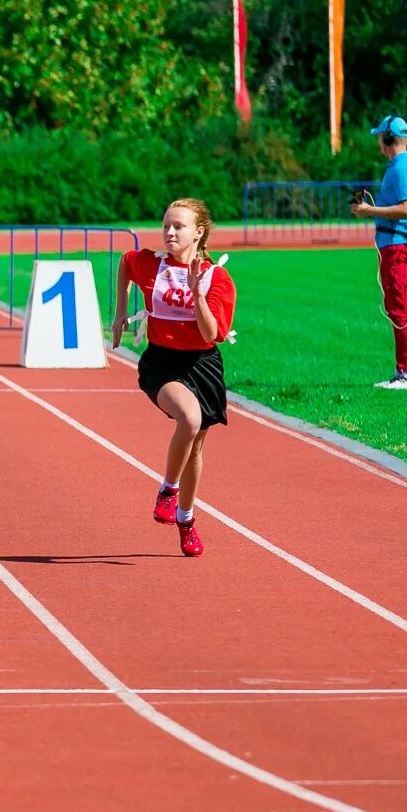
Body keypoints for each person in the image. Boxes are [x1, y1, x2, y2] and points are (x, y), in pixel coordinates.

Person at [111, 198, 237, 558]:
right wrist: (121, 311)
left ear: (198, 232)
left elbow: (211, 333)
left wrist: (197, 294)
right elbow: (125, 263)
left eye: (178, 226)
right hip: (162, 364)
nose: (169, 232)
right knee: (189, 418)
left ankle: (186, 518)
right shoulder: (151, 264)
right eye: (166, 224)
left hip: (203, 365)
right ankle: (168, 491)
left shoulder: (218, 278)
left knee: (196, 445)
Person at [350, 114, 407, 390]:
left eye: (381, 137)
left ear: (388, 139)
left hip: (397, 246)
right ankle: (404, 371)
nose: (379, 143)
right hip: (392, 245)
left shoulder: (402, 167)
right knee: (398, 307)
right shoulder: (400, 166)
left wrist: (370, 211)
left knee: (402, 307)